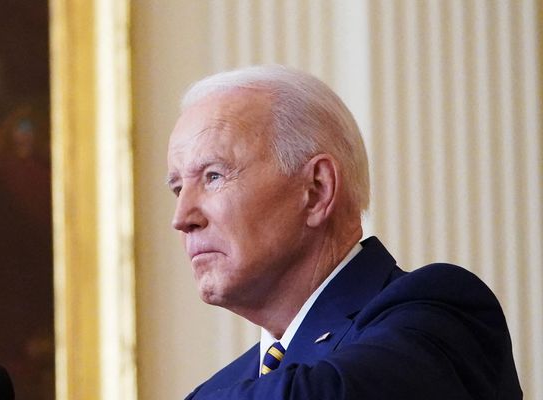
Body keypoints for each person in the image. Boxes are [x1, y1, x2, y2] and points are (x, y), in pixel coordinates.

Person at [166, 65, 521, 399]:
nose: (181, 218)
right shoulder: (222, 387)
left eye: (213, 176)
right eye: (178, 188)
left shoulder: (439, 317)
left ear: (316, 190)